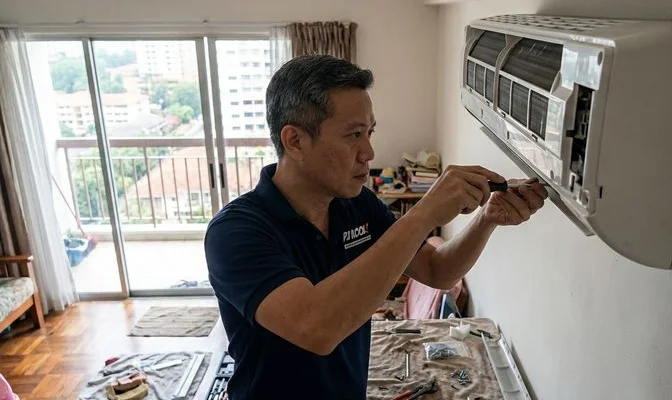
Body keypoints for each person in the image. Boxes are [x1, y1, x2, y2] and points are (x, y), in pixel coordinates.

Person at [204, 54, 547, 399]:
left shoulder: (357, 204)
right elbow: (317, 328)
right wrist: (424, 213)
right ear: (295, 141)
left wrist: (486, 219)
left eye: (369, 132)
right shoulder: (235, 232)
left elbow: (437, 270)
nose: (368, 151)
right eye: (353, 134)